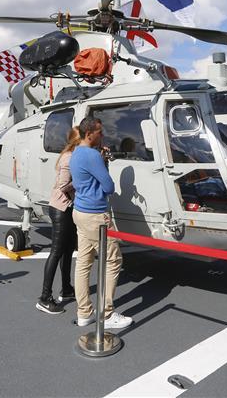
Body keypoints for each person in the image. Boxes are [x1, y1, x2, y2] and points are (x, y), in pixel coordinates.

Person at [71, 117, 132, 330]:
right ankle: (107, 314)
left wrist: (101, 160)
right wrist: (102, 162)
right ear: (90, 134)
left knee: (83, 262)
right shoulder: (92, 155)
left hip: (80, 211)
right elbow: (108, 187)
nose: (102, 135)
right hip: (96, 216)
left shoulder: (77, 152)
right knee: (113, 260)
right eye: (99, 132)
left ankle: (84, 312)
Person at [36, 128, 80, 315]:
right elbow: (63, 186)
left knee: (68, 250)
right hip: (60, 208)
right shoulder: (68, 158)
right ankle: (44, 297)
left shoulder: (72, 156)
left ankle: (67, 288)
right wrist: (82, 179)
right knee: (56, 251)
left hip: (67, 207)